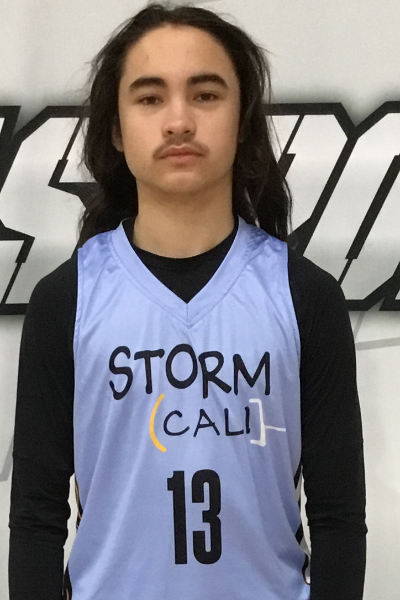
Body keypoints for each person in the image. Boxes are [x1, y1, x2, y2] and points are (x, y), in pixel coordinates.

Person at [8, 3, 367, 599]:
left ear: (243, 121)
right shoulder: (66, 301)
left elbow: (338, 519)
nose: (178, 121)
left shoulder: (305, 296)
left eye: (205, 95)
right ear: (116, 129)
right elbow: (36, 519)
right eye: (150, 98)